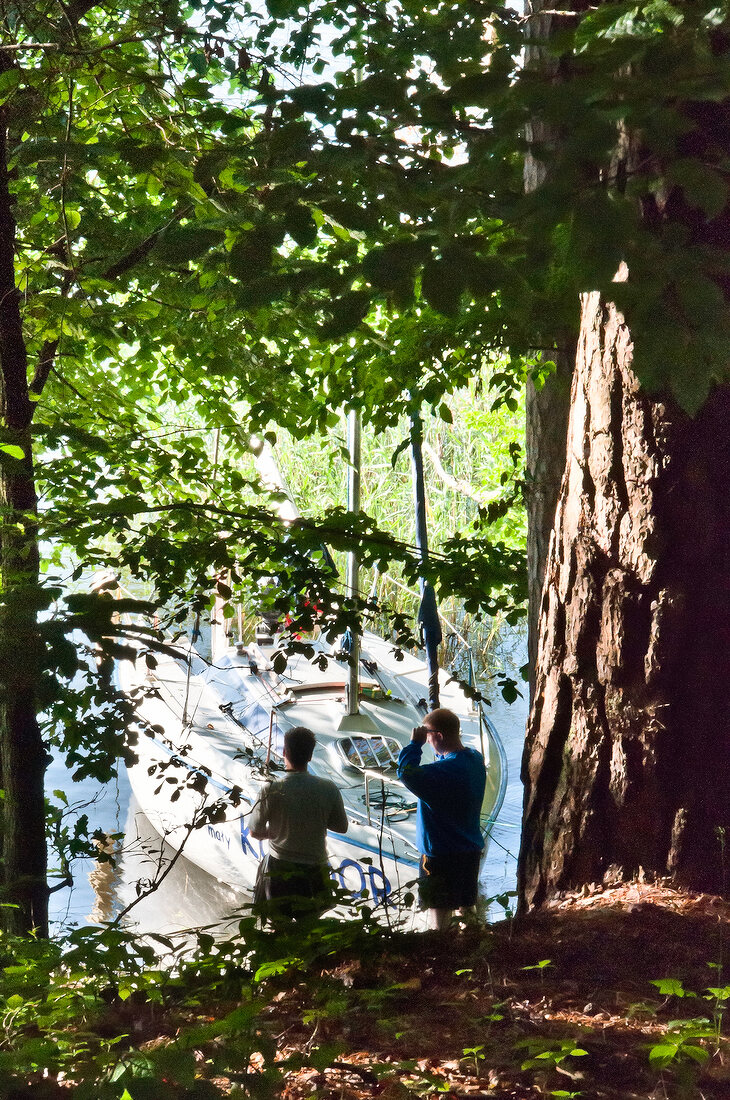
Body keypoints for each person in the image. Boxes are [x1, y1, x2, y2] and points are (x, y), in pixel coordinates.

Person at [397, 707, 486, 930]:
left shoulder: (441, 773)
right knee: (467, 906)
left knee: (439, 915)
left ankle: (442, 954)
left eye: (427, 737)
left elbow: (406, 772)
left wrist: (413, 745)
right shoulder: (474, 759)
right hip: (469, 849)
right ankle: (474, 947)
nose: (426, 742)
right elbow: (446, 756)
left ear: (438, 736)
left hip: (440, 854)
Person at [249, 725, 348, 922]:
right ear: (310, 756)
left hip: (280, 868)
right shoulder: (328, 788)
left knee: (279, 925)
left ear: (284, 752)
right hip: (315, 869)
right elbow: (341, 827)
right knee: (310, 925)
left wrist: (275, 832)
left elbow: (255, 831)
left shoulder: (271, 789)